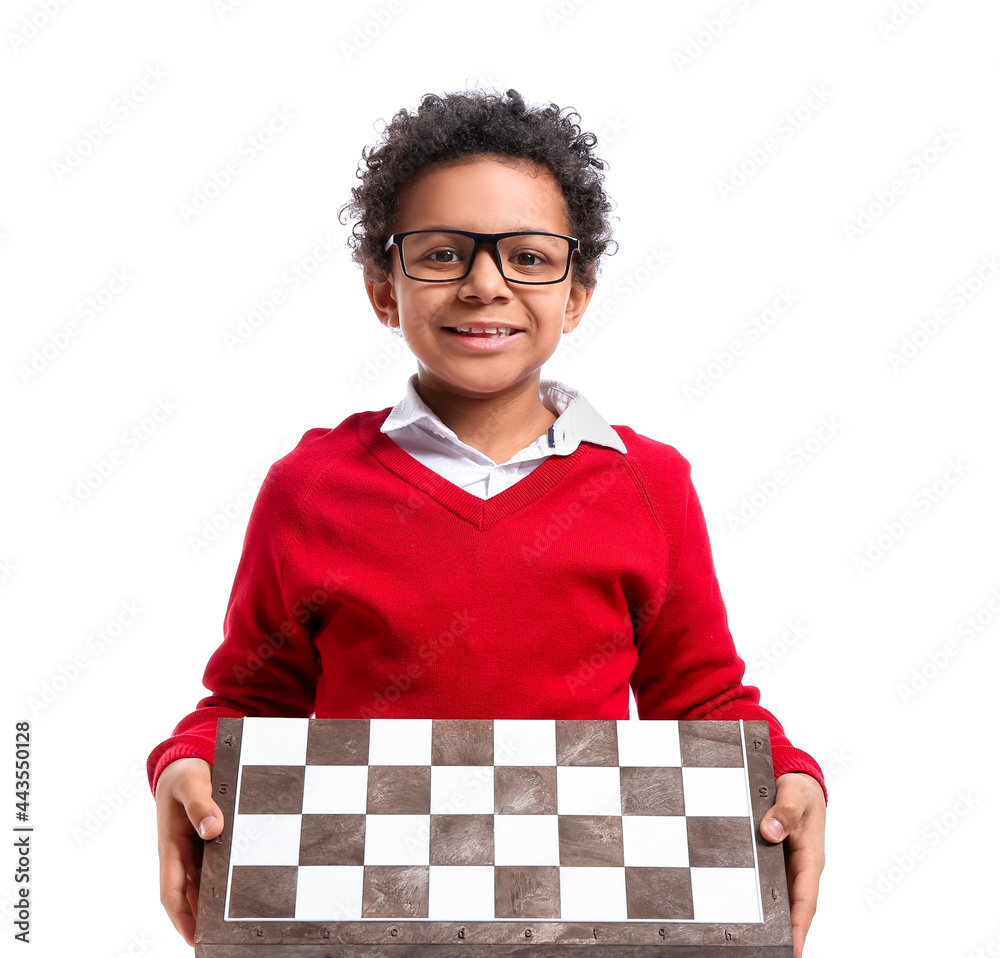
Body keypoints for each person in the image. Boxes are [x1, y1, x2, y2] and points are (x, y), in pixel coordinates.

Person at [149, 89, 826, 957]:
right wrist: (184, 760)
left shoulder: (650, 484)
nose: (484, 283)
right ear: (383, 292)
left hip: (586, 911)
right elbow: (250, 703)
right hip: (358, 915)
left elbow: (700, 701)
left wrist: (793, 772)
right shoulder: (310, 487)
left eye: (529, 257)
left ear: (577, 294)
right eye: (440, 253)